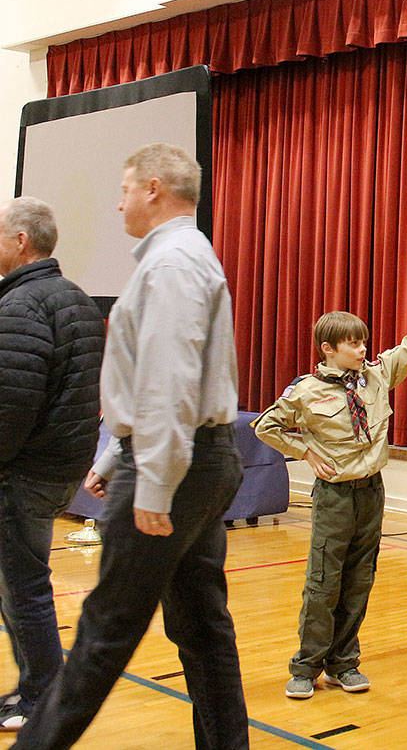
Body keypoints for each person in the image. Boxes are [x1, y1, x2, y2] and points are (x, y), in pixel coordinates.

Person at [15, 144, 248, 749]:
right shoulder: (185, 256)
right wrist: (120, 455)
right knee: (202, 628)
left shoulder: (171, 264)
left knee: (103, 631)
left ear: (152, 188)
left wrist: (155, 481)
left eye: (123, 188)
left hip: (178, 466)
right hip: (197, 457)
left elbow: (169, 381)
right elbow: (173, 378)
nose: (116, 201)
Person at [255, 281, 407, 696]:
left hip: (371, 492)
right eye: (352, 344)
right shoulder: (306, 392)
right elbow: (266, 426)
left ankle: (344, 663)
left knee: (360, 579)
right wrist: (305, 451)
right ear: (327, 348)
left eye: (364, 342)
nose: (363, 349)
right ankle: (305, 668)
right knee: (324, 581)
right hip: (335, 497)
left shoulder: (375, 379)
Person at [0, 198, 105, 731]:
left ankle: (42, 696)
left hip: (25, 473)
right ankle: (37, 687)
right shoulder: (78, 299)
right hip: (60, 470)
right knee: (22, 583)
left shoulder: (21, 306)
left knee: (23, 586)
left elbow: (11, 402)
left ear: (21, 241)